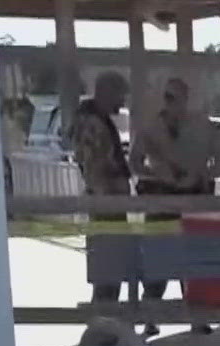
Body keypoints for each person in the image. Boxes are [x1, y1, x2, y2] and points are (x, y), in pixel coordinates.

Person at [130, 76, 220, 330]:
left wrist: (202, 175)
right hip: (161, 200)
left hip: (196, 198)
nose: (170, 103)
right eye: (167, 97)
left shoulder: (203, 127)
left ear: (186, 99)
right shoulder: (152, 128)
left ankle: (198, 317)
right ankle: (150, 316)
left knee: (196, 260)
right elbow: (134, 162)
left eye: (175, 97)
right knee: (158, 260)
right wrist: (156, 173)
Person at [71, 72, 132, 305]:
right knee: (107, 276)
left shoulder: (99, 120)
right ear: (107, 93)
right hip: (105, 209)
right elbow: (93, 168)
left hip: (111, 206)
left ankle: (106, 329)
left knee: (111, 275)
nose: (123, 102)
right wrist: (107, 200)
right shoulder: (91, 123)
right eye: (120, 95)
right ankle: (102, 330)